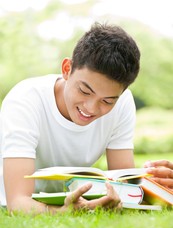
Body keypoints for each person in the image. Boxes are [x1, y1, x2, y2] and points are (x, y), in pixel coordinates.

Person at [0, 22, 140, 213]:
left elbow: (125, 187)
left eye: (107, 101)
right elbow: (17, 202)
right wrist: (63, 212)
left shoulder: (123, 103)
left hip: (73, 196)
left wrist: (123, 195)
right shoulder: (25, 100)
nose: (91, 108)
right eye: (84, 91)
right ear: (67, 69)